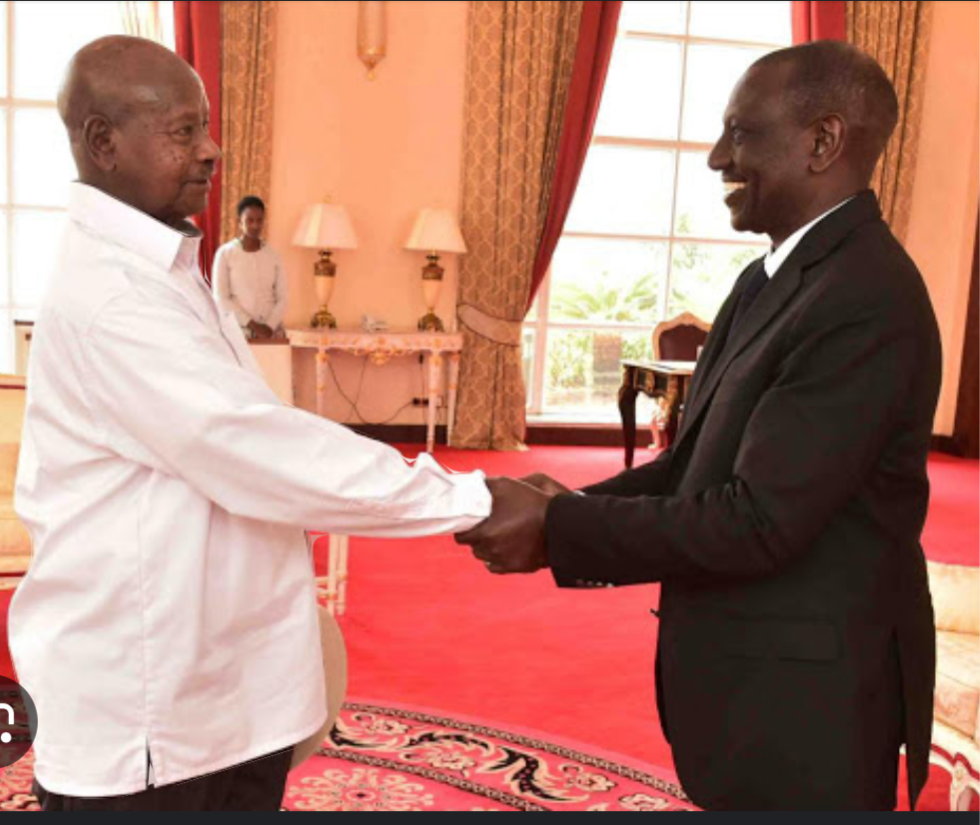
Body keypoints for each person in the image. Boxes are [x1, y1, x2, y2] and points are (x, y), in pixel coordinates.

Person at [457, 41, 941, 811]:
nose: (717, 158)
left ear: (822, 141)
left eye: (741, 134)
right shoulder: (770, 278)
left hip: (811, 712)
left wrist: (560, 529)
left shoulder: (865, 296)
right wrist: (568, 504)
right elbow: (695, 467)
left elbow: (758, 520)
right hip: (758, 688)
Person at [9, 36, 490, 811]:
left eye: (205, 127)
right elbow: (253, 447)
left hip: (215, 695)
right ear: (103, 142)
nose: (211, 150)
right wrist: (470, 499)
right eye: (183, 131)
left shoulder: (161, 262)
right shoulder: (113, 295)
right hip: (150, 715)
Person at [213, 196, 289, 341]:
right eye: (250, 220)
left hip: (271, 333)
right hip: (238, 332)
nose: (255, 225)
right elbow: (221, 298)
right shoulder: (225, 253)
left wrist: (269, 326)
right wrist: (253, 325)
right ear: (239, 222)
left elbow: (283, 298)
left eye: (259, 220)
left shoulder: (273, 255)